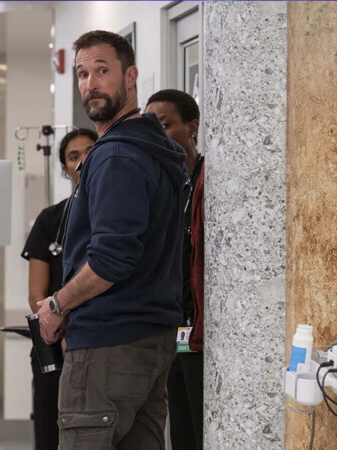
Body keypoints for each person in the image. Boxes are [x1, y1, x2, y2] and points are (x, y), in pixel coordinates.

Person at [35, 30, 187, 449]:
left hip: (108, 342)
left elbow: (110, 260)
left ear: (131, 76)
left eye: (102, 71)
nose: (91, 84)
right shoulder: (153, 149)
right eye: (82, 74)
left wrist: (57, 305)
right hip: (151, 339)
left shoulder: (116, 156)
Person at [21, 127, 96, 450]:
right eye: (73, 157)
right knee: (52, 433)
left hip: (101, 340)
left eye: (89, 152)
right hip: (54, 341)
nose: (82, 161)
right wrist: (59, 328)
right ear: (65, 169)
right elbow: (36, 294)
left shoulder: (115, 214)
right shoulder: (50, 220)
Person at [146, 89, 204, 450]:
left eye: (165, 125)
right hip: (172, 331)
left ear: (191, 127)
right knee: (180, 433)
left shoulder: (206, 182)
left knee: (202, 431)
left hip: (202, 333)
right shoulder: (161, 189)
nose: (158, 135)